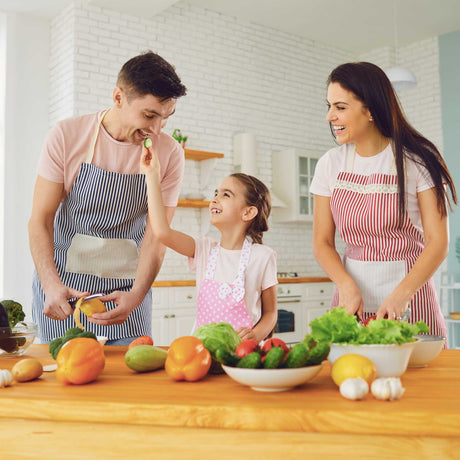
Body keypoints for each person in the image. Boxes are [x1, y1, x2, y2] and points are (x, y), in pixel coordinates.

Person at [28, 51, 187, 344]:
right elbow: (41, 219)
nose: (157, 129)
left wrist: (137, 295)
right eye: (149, 115)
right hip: (65, 291)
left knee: (129, 385)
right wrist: (50, 284)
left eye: (165, 118)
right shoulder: (67, 135)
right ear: (118, 98)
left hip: (126, 294)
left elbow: (156, 236)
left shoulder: (171, 154)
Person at [310, 61, 457, 336]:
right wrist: (345, 285)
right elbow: (322, 242)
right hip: (351, 300)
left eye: (340, 107)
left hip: (410, 299)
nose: (330, 117)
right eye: (329, 106)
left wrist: (401, 296)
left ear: (370, 110)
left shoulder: (418, 161)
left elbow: (438, 243)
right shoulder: (330, 164)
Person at [140, 147, 278, 342]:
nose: (214, 199)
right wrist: (152, 175)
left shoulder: (263, 256)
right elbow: (162, 231)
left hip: (243, 354)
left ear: (248, 212)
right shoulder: (204, 250)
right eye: (216, 193)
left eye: (226, 195)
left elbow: (271, 313)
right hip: (202, 350)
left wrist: (255, 336)